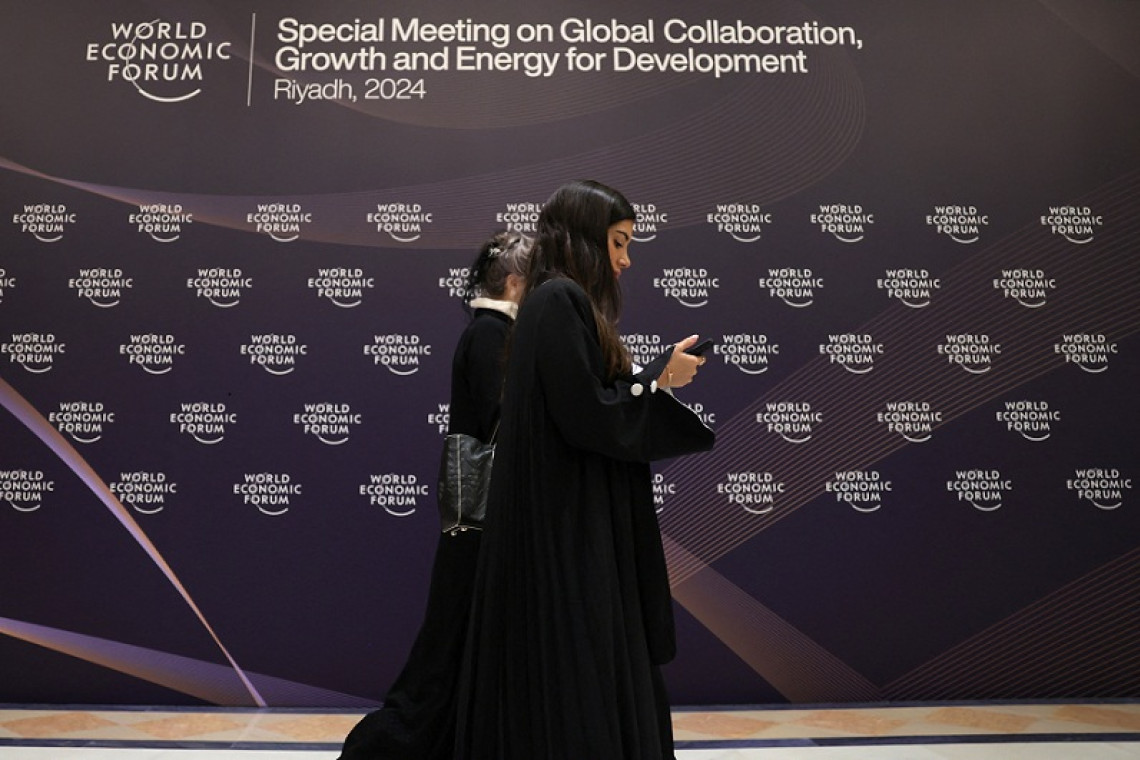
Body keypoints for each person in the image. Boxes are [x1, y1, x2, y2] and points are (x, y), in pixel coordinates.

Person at [455, 180, 716, 759]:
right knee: (582, 662)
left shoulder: (559, 301)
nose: (625, 260)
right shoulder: (558, 300)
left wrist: (652, 380)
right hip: (568, 528)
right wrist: (655, 383)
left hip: (573, 520)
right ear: (584, 238)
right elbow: (586, 414)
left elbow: (584, 400)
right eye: (618, 242)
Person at [338, 230, 532, 760]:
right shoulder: (491, 334)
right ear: (516, 283)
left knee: (455, 634)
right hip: (479, 511)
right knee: (449, 637)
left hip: (476, 507)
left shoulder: (488, 331)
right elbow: (500, 417)